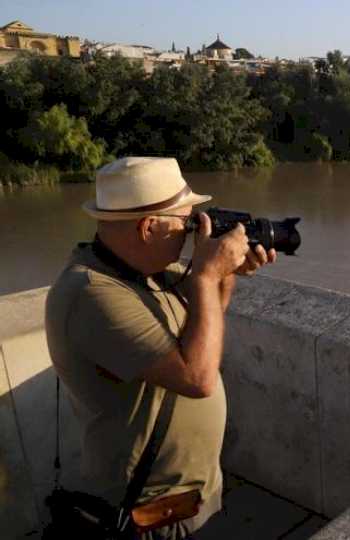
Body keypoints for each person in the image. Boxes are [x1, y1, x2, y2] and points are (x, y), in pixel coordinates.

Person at [45, 156, 277, 539]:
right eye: (186, 222)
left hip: (191, 496)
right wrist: (206, 274)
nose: (191, 233)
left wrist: (227, 273)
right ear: (150, 227)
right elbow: (198, 377)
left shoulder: (149, 274)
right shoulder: (91, 295)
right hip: (149, 516)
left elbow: (208, 319)